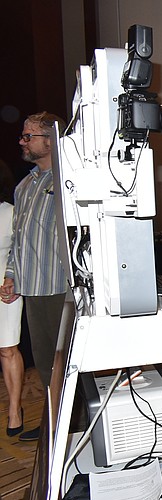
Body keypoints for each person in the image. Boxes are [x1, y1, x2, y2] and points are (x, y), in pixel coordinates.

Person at [1, 112, 69, 442]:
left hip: (60, 287)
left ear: (49, 139)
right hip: (32, 288)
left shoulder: (69, 180)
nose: (22, 141)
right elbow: (17, 237)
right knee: (45, 364)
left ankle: (68, 427)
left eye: (29, 136)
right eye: (23, 136)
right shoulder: (24, 186)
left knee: (64, 363)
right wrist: (12, 276)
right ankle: (55, 426)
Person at [0, 160, 25, 437]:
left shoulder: (11, 212)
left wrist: (12, 280)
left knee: (7, 349)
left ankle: (15, 409)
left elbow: (20, 251)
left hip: (7, 288)